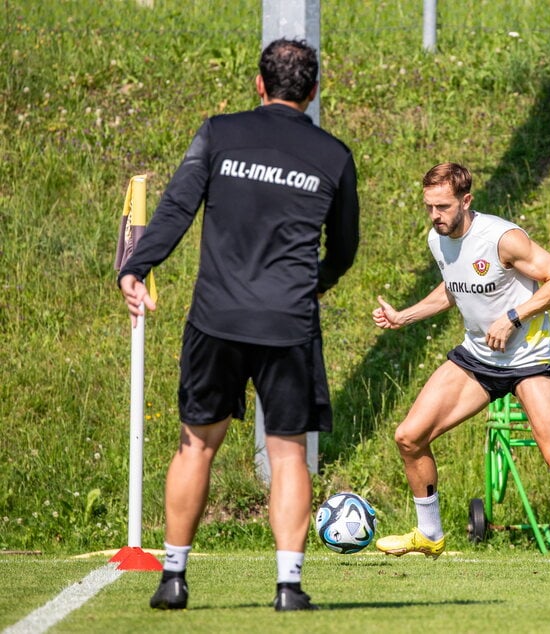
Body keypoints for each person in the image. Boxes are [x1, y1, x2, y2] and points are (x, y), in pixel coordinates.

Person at [118, 38, 360, 611]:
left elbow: (176, 205)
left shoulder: (218, 134)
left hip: (216, 318)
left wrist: (137, 267)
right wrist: (313, 283)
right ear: (315, 89)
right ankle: (288, 587)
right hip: (288, 324)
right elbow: (346, 248)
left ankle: (173, 578)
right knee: (288, 454)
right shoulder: (333, 155)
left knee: (196, 446)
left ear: (259, 84)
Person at [371, 162, 550, 567]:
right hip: (477, 359)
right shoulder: (439, 238)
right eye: (429, 206)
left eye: (443, 206)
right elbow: (453, 288)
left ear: (466, 201)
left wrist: (514, 316)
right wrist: (404, 316)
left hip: (528, 362)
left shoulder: (503, 238)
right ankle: (429, 535)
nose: (435, 216)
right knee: (409, 437)